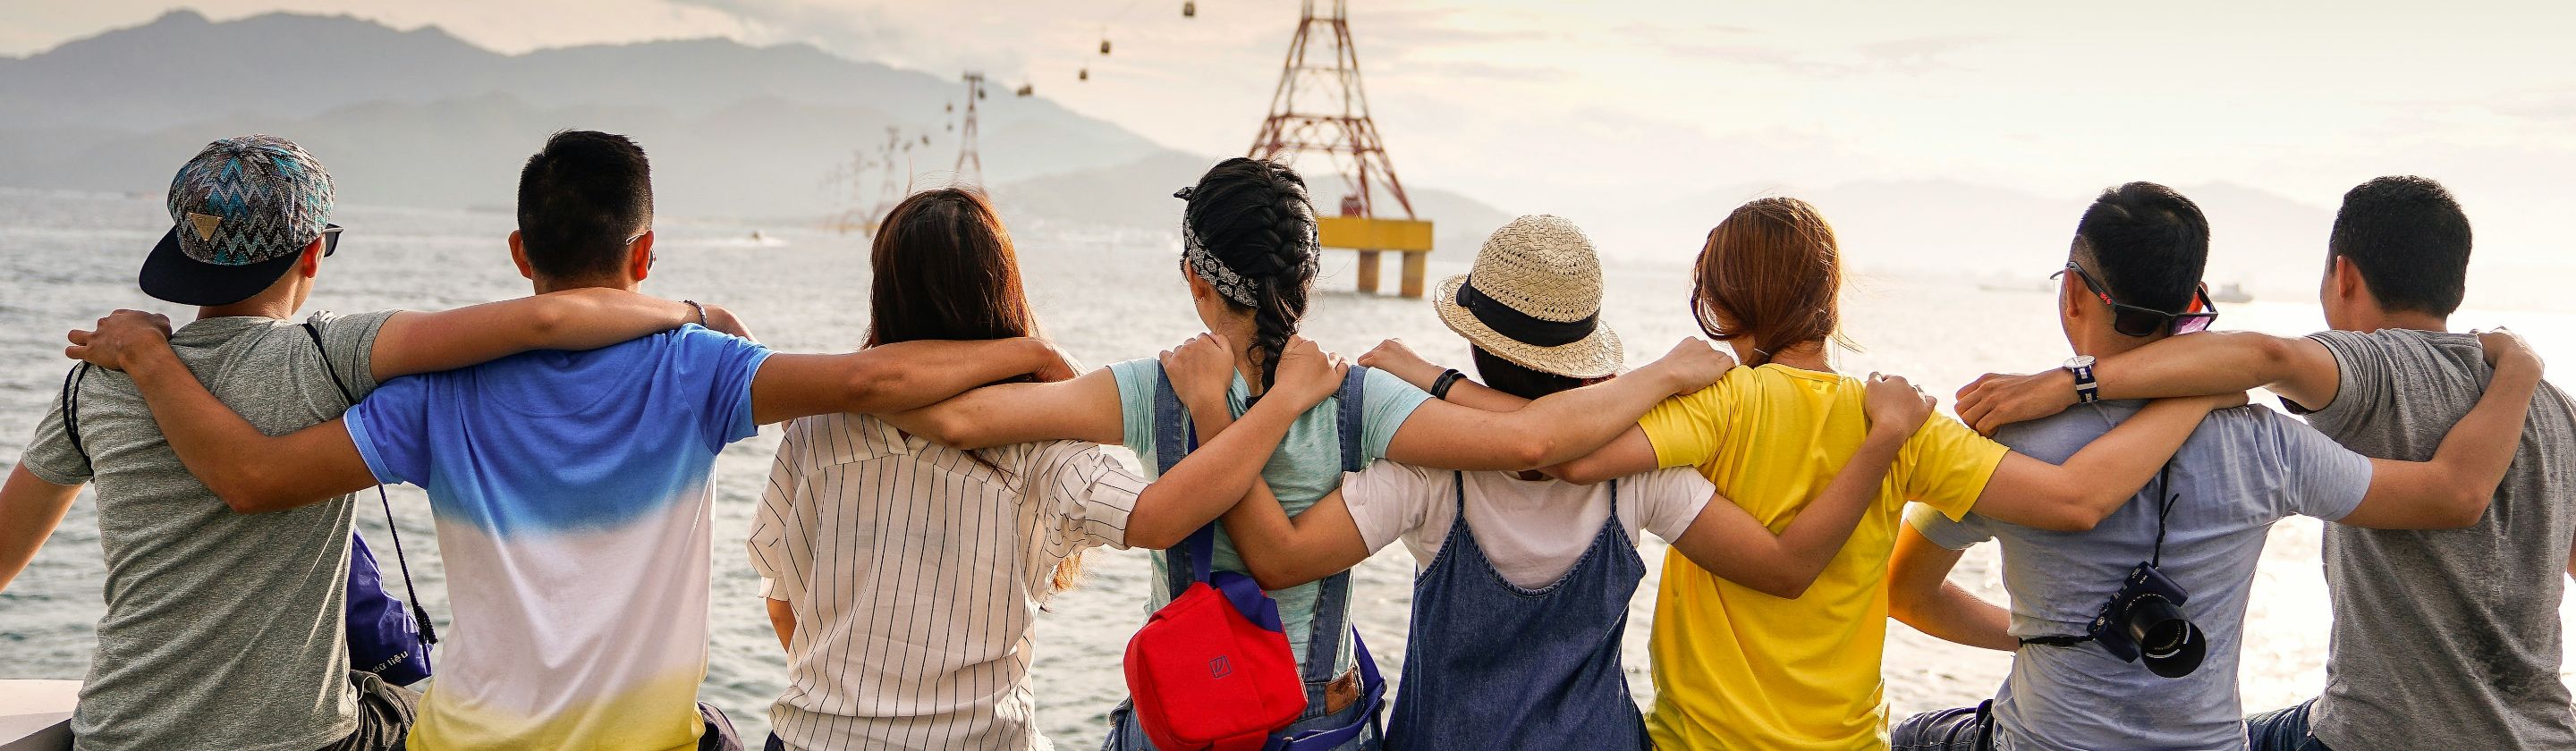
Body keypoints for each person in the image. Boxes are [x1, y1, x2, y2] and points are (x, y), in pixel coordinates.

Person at [58, 131, 1080, 751]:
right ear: (646, 251)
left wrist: (151, 362)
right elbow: (876, 381)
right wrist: (1033, 354)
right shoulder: (700, 372)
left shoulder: (435, 392)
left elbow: (255, 475)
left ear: (519, 252)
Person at [883, 160, 1736, 751]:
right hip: (1316, 722)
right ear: (1307, 279)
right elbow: (1532, 439)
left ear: (1198, 282)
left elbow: (956, 419)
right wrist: (1663, 375)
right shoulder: (1360, 399)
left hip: (1184, 719)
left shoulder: (1153, 386)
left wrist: (1028, 353)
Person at [0, 135, 725, 751]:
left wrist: (146, 357)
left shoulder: (94, 383)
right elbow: (547, 322)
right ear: (314, 254)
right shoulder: (332, 357)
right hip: (299, 741)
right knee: (418, 698)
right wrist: (697, 314)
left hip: (115, 732)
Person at [1442, 197, 2238, 751]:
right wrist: (2195, 392)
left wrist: (1431, 386)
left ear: (1723, 301)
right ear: (1828, 296)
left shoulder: (1719, 403)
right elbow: (2076, 500)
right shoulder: (1902, 422)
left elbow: (1561, 452)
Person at [1197, 214, 1941, 749]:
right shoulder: (1642, 475)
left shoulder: (1431, 469)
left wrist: (1217, 420)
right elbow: (1783, 568)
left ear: (1474, 344)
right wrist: (1882, 439)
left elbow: (1279, 557)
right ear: (1585, 351)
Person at [1883, 181, 2546, 751]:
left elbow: (1906, 593)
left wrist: (2042, 638)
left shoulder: (2002, 440)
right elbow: (2449, 495)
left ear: (2074, 294)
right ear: (2195, 304)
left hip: (2043, 737)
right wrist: (2518, 370)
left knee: (1911, 733)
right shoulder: (2266, 444)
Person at [746, 189, 1353, 750]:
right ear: (1003, 293)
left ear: (884, 293)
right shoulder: (1039, 447)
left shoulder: (814, 433)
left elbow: (782, 603)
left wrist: (855, 711)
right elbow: (1160, 517)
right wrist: (1279, 403)